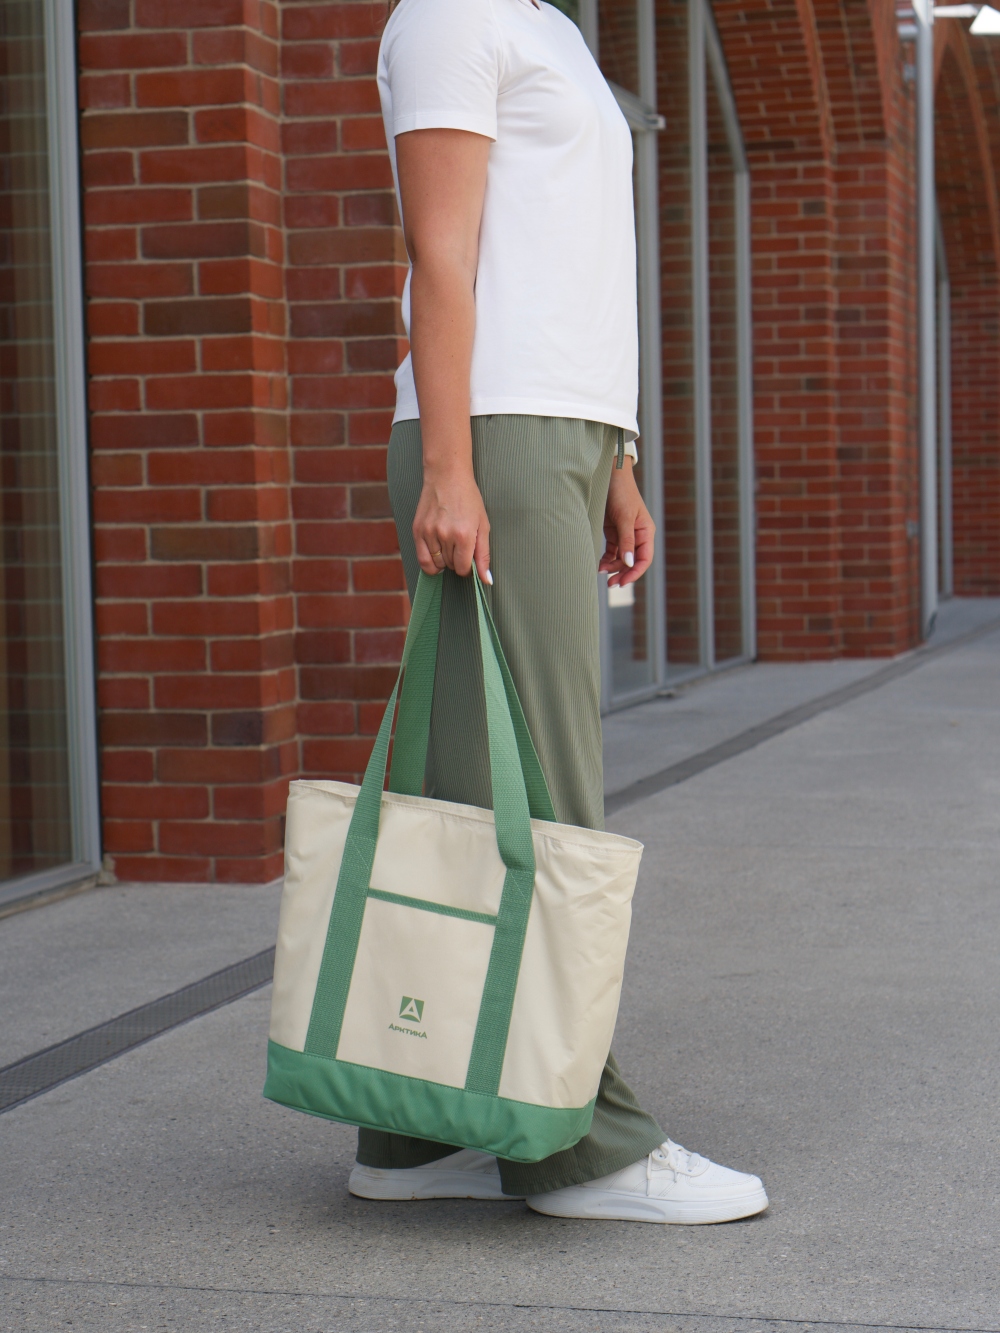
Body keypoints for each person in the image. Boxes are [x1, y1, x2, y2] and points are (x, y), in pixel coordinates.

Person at [346, 0, 768, 1225]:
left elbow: (566, 255)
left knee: (469, 792)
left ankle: (416, 1129)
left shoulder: (547, 25)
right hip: (496, 432)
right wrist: (449, 469)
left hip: (556, 432)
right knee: (545, 799)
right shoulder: (450, 16)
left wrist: (616, 459)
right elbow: (441, 254)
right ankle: (577, 1147)